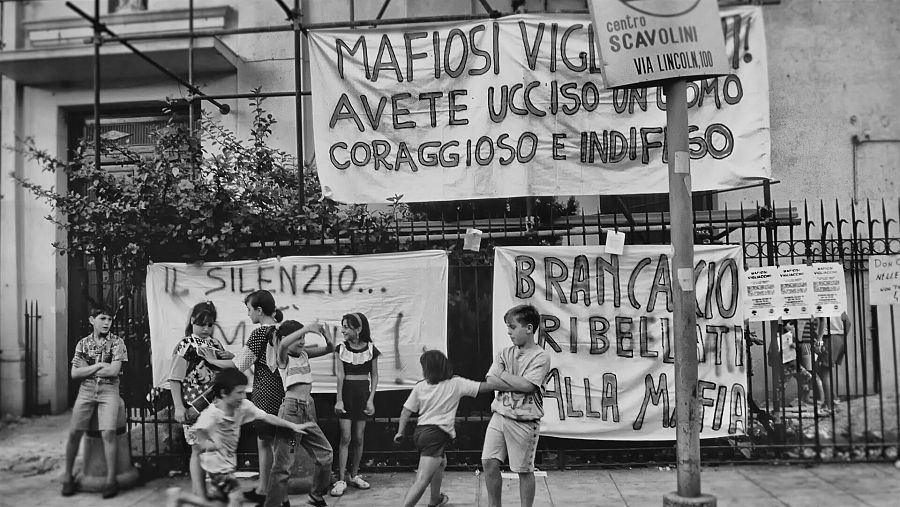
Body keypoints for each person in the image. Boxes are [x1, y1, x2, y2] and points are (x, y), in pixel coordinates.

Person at [394, 350, 505, 507]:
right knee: (422, 480)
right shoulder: (456, 383)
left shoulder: (420, 386)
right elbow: (483, 387)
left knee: (440, 462)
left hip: (421, 433)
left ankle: (435, 499)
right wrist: (508, 384)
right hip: (436, 434)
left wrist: (400, 431)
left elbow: (406, 410)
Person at [192, 368, 316, 507]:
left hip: (228, 466)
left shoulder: (243, 406)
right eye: (239, 393)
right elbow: (197, 434)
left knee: (220, 502)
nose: (243, 396)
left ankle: (184, 500)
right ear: (223, 393)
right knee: (236, 499)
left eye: (244, 391)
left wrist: (292, 425)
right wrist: (207, 444)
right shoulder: (211, 415)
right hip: (216, 468)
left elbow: (266, 417)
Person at [482, 304, 551, 507]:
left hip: (524, 421)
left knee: (523, 470)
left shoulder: (541, 356)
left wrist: (502, 375)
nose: (509, 332)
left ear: (529, 328)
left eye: (513, 327)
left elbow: (528, 385)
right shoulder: (505, 352)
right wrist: (510, 380)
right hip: (500, 415)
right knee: (488, 462)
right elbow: (490, 380)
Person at [262, 320, 336, 507]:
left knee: (325, 454)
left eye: (304, 337)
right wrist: (306, 328)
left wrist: (326, 337)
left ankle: (316, 497)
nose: (302, 341)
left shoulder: (304, 354)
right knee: (283, 465)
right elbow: (285, 343)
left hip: (307, 411)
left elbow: (330, 349)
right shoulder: (283, 356)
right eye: (298, 338)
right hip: (291, 411)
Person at [169, 301, 235, 499]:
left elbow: (230, 368)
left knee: (218, 446)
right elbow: (175, 378)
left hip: (216, 402)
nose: (206, 329)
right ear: (192, 321)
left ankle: (218, 488)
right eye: (201, 324)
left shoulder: (216, 344)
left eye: (210, 324)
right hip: (193, 404)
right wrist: (179, 407)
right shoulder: (185, 345)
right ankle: (199, 493)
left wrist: (226, 357)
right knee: (198, 448)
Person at [62, 306, 128, 499]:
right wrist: (99, 365)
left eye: (109, 319)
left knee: (108, 432)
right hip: (87, 390)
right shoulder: (82, 344)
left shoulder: (117, 342)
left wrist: (88, 368)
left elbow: (113, 371)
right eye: (103, 318)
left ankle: (110, 480)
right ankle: (67, 477)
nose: (107, 323)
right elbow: (75, 373)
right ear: (92, 320)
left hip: (109, 390)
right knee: (74, 432)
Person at [233, 289, 286, 503]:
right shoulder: (281, 330)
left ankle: (266, 491)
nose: (248, 314)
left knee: (264, 442)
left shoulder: (259, 334)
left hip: (264, 392)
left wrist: (217, 361)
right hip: (281, 390)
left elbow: (240, 365)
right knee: (275, 443)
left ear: (259, 310)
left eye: (249, 309)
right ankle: (267, 489)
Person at [331, 312, 379, 497]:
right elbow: (340, 375)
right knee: (346, 437)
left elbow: (374, 375)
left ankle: (354, 474)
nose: (342, 330)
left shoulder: (371, 349)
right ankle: (341, 478)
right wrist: (339, 399)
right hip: (347, 395)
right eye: (342, 326)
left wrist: (371, 399)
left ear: (358, 329)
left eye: (346, 327)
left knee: (359, 437)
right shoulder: (341, 349)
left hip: (362, 395)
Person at [811, 311, 853, 410]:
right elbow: (848, 323)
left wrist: (819, 340)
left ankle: (830, 405)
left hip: (829, 337)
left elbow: (823, 321)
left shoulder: (823, 303)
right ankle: (832, 400)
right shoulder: (839, 304)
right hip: (840, 338)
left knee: (824, 371)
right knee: (822, 369)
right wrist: (842, 336)